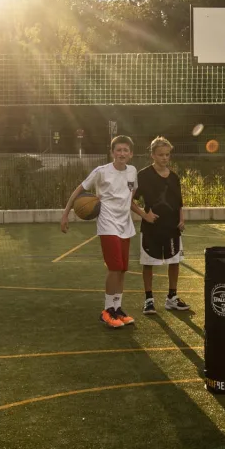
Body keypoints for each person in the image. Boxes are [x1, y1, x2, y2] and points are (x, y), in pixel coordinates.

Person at [61, 135, 138, 329]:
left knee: (122, 269)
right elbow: (78, 191)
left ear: (131, 154)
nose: (122, 153)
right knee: (114, 267)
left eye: (125, 150)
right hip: (107, 224)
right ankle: (107, 311)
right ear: (112, 153)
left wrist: (143, 215)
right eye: (118, 150)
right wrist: (65, 214)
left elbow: (130, 196)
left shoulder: (132, 171)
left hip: (125, 225)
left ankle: (118, 308)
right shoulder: (101, 172)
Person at [135, 137, 190, 314]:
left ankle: (172, 298)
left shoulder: (174, 177)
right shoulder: (143, 175)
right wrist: (145, 215)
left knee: (174, 261)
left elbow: (179, 202)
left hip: (172, 227)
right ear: (152, 155)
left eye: (167, 155)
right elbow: (130, 201)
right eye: (160, 155)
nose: (164, 158)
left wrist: (181, 219)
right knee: (148, 262)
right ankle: (149, 300)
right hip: (151, 227)